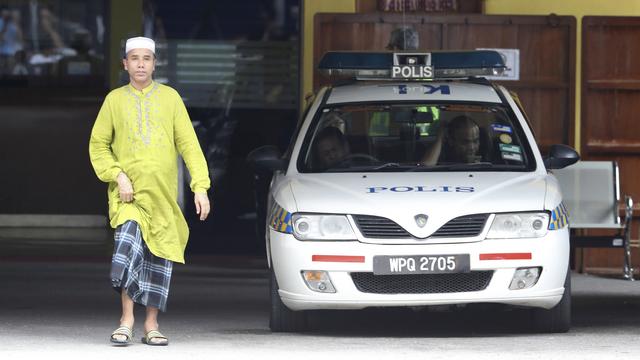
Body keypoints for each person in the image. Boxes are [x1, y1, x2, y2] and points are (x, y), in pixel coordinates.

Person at [89, 37, 211, 346]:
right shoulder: (114, 100)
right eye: (135, 58)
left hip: (163, 197)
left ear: (155, 64)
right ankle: (126, 320)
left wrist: (200, 187)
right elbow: (98, 145)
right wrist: (118, 175)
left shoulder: (170, 98)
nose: (141, 63)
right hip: (128, 198)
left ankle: (151, 324)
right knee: (128, 251)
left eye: (146, 58)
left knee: (158, 258)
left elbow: (189, 146)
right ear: (125, 64)